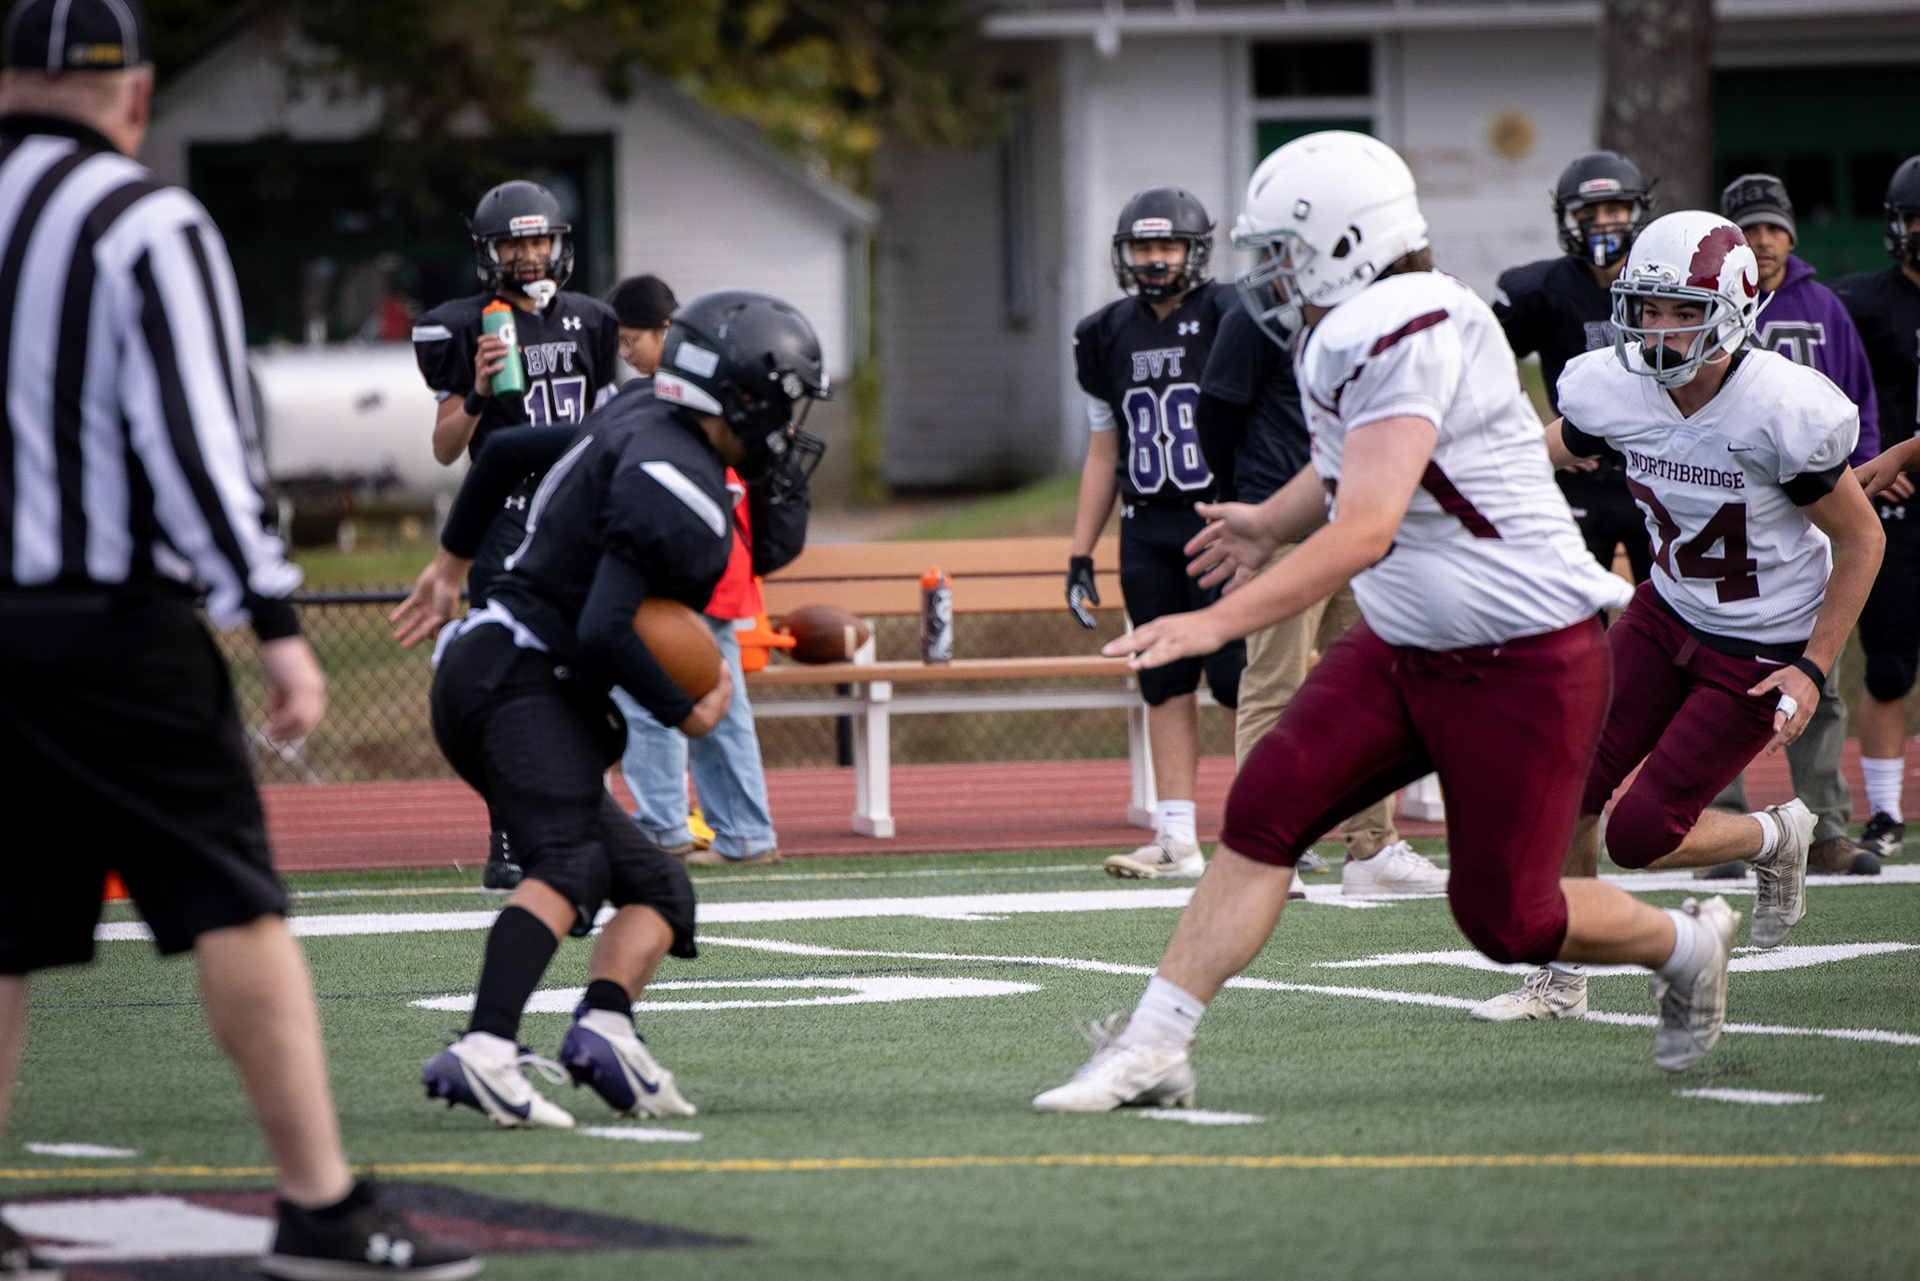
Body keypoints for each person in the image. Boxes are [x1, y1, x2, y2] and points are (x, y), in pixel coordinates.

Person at [1035, 133, 1739, 1115]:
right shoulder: (1348, 329)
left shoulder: (1415, 321)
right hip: (1407, 644)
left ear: (1347, 244)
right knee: (1263, 813)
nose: (1266, 274)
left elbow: (1364, 527)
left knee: (1509, 917)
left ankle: (1689, 948)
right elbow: (1345, 467)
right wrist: (1266, 522)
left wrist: (1212, 622)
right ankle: (1155, 1045)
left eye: (1282, 250)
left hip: (1521, 657)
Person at [0, 3, 477, 1276]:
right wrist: (274, 623)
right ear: (139, 98)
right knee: (235, 904)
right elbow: (201, 444)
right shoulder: (145, 221)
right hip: (107, 628)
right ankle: (319, 1202)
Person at [391, 290, 828, 1130]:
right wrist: (686, 706)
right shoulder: (678, 486)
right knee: (568, 863)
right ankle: (484, 1047)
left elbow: (508, 447)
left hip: (511, 666)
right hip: (518, 674)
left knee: (660, 886)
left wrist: (449, 563)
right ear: (742, 396)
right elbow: (603, 624)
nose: (787, 419)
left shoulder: (636, 409)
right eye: (783, 396)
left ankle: (603, 1028)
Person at [1475, 211, 1884, 1023]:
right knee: (1565, 782)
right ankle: (1561, 976)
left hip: (1760, 642)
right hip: (1667, 611)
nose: (1659, 330)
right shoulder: (1614, 385)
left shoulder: (1782, 407)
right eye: (1647, 308)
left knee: (1640, 832)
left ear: (1734, 307)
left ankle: (1776, 832)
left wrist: (1809, 665)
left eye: (1683, 310)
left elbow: (1861, 539)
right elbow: (1555, 445)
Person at [411, 181, 621, 891]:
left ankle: (590, 816)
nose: (529, 256)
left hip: (574, 513)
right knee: (509, 674)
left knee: (589, 665)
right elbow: (445, 450)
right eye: (514, 244)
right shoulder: (463, 325)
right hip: (503, 514)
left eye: (538, 241)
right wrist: (474, 392)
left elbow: (604, 426)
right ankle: (506, 830)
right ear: (489, 253)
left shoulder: (593, 320)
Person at [1193, 274, 1431, 894]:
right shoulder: (1260, 309)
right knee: (1276, 682)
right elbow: (1216, 408)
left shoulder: (1379, 305)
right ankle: (1262, 848)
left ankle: (1372, 849)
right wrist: (1252, 502)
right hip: (1284, 520)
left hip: (1357, 517)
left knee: (1376, 688)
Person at [1701, 173, 1883, 878]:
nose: (1764, 240)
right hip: (1728, 513)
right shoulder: (1709, 306)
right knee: (1718, 674)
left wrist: (1862, 474)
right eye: (1749, 230)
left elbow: (1857, 399)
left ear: (1791, 237)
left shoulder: (1822, 307)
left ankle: (1826, 824)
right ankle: (1716, 822)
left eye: (1775, 228)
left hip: (1809, 514)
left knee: (1822, 677)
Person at [1066, 187, 1244, 880]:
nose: (1155, 259)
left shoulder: (1230, 313)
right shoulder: (1103, 332)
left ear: (1195, 251)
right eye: (1143, 246)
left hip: (1216, 519)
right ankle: (1175, 833)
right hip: (1145, 527)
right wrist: (1080, 551)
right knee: (1163, 679)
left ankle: (1260, 831)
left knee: (1238, 680)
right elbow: (1103, 451)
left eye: (1167, 245)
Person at [602, 273, 809, 867]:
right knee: (721, 700)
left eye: (632, 338)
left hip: (699, 568)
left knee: (654, 695)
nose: (625, 352)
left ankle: (664, 826)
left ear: (668, 333)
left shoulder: (685, 397)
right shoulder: (706, 390)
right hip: (720, 566)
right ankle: (744, 832)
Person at [1492, 151, 1655, 583]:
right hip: (1577, 470)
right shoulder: (1540, 289)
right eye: (1589, 213)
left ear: (1636, 212)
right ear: (1569, 220)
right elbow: (1486, 359)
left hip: (1654, 468)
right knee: (1574, 613)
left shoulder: (1664, 283)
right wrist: (1534, 430)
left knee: (1668, 617)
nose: (1602, 224)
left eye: (1615, 209)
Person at [1833, 155, 1920, 862]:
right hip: (1892, 505)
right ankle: (1886, 811)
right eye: (1916, 219)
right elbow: (1811, 380)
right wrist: (1862, 460)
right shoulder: (1858, 303)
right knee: (1889, 664)